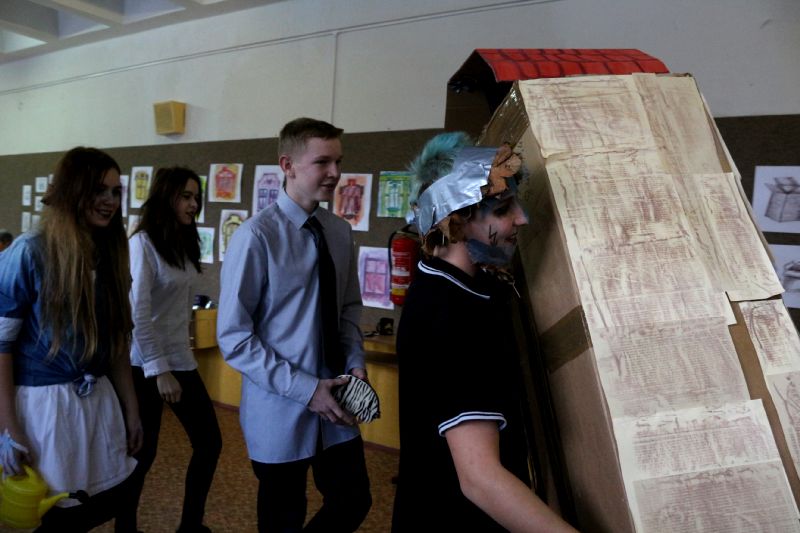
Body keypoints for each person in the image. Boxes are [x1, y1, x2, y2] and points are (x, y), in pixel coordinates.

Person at [391, 132, 578, 532]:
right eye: (504, 209)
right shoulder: (450, 311)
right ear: (458, 219)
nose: (522, 219)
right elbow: (480, 478)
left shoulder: (458, 285)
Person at [217, 117, 372, 532]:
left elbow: (347, 309)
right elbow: (234, 337)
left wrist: (355, 363)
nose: (335, 173)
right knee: (282, 519)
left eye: (338, 162)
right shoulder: (255, 237)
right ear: (287, 165)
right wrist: (306, 390)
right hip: (280, 408)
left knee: (354, 501)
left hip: (337, 404)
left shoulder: (339, 232)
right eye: (322, 162)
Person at [0, 147, 142, 532]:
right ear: (72, 191)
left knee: (90, 510)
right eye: (99, 190)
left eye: (115, 191)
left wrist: (131, 408)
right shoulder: (29, 252)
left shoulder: (109, 253)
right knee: (53, 517)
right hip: (44, 409)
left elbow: (117, 340)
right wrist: (8, 427)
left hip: (97, 402)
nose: (110, 200)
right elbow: (1, 346)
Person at [117, 167, 222, 533]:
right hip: (146, 363)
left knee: (209, 443)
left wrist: (176, 361)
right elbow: (138, 313)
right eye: (186, 196)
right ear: (166, 197)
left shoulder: (183, 242)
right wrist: (159, 370)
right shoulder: (142, 243)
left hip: (180, 359)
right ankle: (125, 528)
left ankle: (190, 525)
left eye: (196, 198)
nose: (193, 204)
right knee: (143, 454)